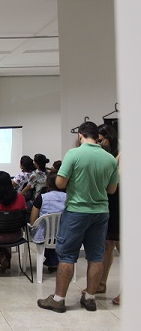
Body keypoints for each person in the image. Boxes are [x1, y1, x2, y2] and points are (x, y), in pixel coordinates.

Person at [37, 121, 118, 313]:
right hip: (100, 212)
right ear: (96, 136)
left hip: (76, 211)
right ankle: (90, 299)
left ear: (80, 135)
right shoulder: (109, 158)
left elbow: (61, 183)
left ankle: (58, 300)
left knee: (66, 255)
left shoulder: (74, 154)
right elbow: (112, 189)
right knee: (96, 256)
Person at [96, 123, 121, 305]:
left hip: (121, 205)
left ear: (109, 138)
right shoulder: (107, 156)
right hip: (109, 205)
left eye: (101, 140)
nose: (99, 143)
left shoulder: (122, 155)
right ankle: (101, 283)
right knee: (107, 246)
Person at [29, 172, 67, 273]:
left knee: (46, 233)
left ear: (48, 183)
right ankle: (54, 261)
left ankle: (52, 261)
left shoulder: (42, 198)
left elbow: (33, 221)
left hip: (44, 236)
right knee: (55, 235)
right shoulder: (70, 198)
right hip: (65, 235)